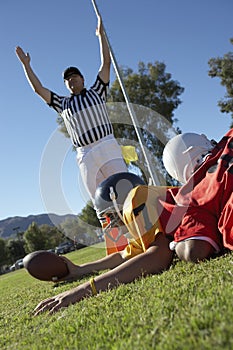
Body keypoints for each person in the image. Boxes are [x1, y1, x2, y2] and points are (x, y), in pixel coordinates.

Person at [33, 128, 233, 315]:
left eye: (112, 216)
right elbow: (126, 254)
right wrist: (80, 269)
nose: (113, 225)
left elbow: (159, 255)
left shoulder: (144, 198)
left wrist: (84, 289)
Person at [15, 14, 127, 205]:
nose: (71, 79)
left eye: (74, 76)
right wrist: (26, 65)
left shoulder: (97, 91)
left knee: (125, 189)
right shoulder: (62, 103)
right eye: (67, 79)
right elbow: (38, 89)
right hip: (85, 153)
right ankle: (114, 231)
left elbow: (106, 63)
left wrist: (101, 36)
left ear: (83, 79)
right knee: (101, 200)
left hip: (106, 145)